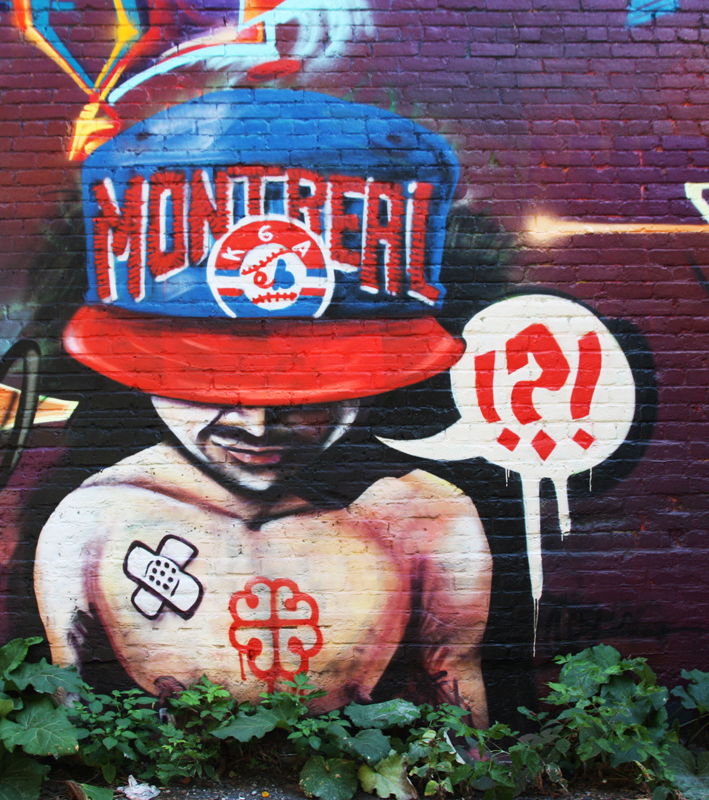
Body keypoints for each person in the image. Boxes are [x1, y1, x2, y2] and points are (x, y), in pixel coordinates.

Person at [34, 89, 493, 725]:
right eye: (206, 383)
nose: (255, 425)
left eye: (305, 392)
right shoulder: (90, 526)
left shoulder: (426, 521)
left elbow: (457, 697)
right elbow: (65, 715)